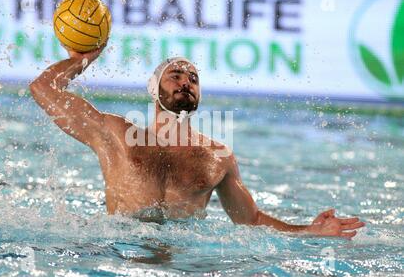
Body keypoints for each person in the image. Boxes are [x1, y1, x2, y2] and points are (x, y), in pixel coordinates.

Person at [29, 45, 365, 239]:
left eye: (193, 78)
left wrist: (310, 231)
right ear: (154, 89)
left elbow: (249, 220)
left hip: (186, 265)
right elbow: (43, 89)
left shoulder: (218, 156)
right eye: (175, 75)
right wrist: (85, 56)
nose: (186, 82)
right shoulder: (115, 134)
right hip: (119, 252)